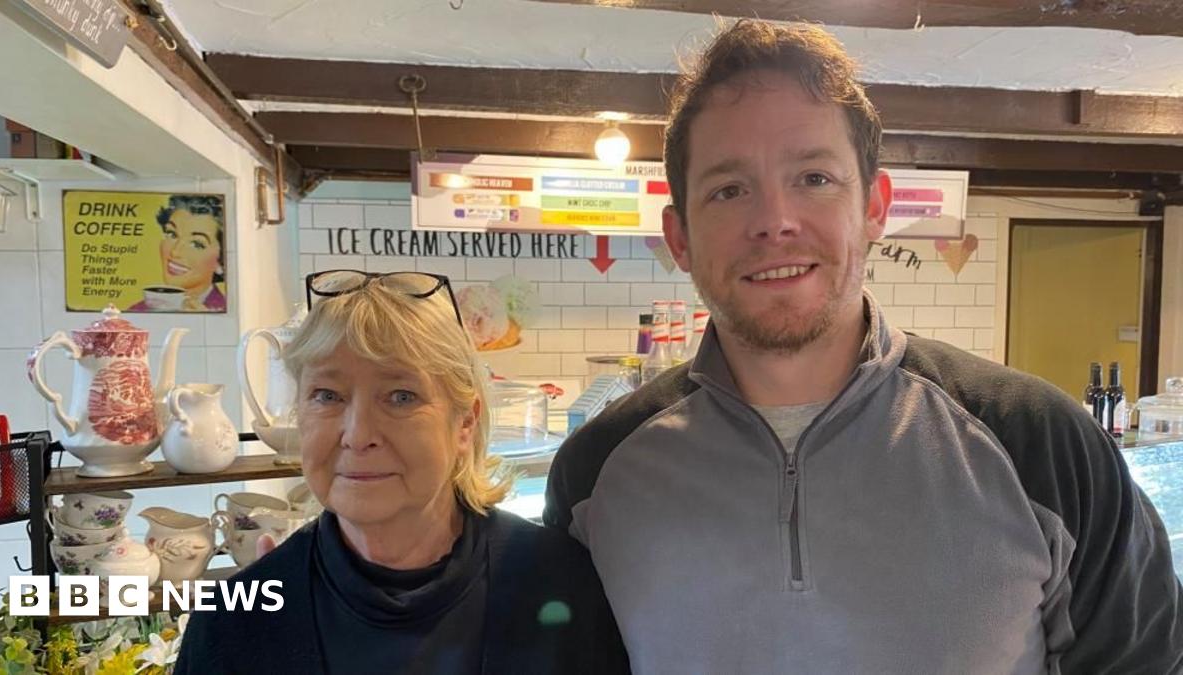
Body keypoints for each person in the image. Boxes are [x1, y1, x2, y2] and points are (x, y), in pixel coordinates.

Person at [544, 19, 1183, 674]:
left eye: (814, 178)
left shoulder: (1042, 445)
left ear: (875, 206)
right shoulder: (597, 475)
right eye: (729, 190)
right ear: (679, 237)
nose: (774, 222)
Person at [176, 270, 628, 674]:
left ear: (465, 423)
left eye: (401, 397)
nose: (358, 434)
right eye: (327, 395)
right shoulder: (235, 622)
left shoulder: (564, 584)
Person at [128, 194, 227, 312]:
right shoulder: (137, 310)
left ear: (220, 262)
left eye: (196, 244)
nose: (175, 252)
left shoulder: (225, 312)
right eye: (172, 234)